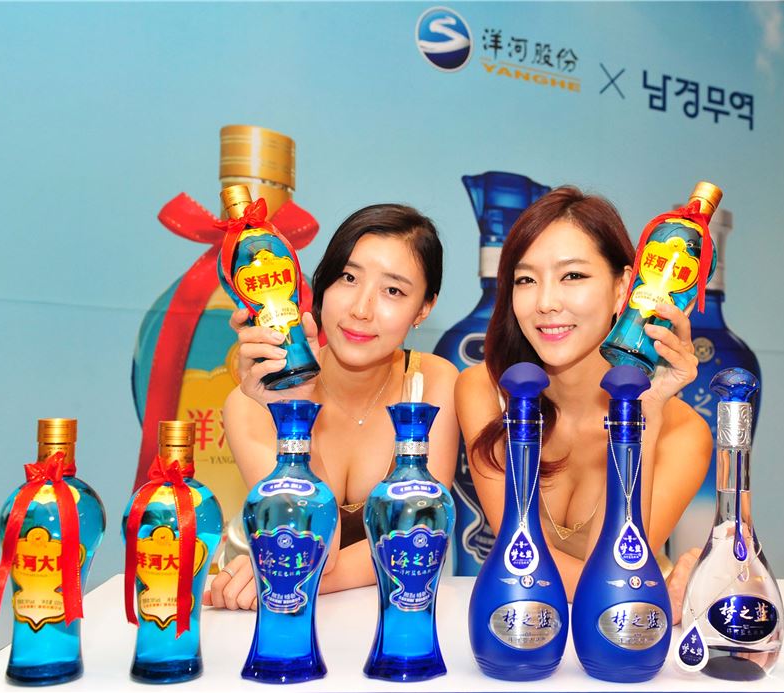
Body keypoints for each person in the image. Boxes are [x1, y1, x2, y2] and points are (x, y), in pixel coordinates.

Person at [455, 186, 711, 623]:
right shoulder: (487, 392)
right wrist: (649, 594)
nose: (545, 303)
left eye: (572, 276)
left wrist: (643, 413)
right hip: (527, 625)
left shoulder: (682, 433)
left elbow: (616, 571)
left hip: (621, 636)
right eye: (525, 280)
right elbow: (520, 554)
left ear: (624, 288)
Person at [205, 204, 459, 610]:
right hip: (270, 613)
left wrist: (287, 578)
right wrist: (294, 407)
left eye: (393, 290)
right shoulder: (251, 404)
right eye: (348, 277)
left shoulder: (431, 385)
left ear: (424, 308)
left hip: (329, 602)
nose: (361, 309)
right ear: (321, 284)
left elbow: (420, 539)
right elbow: (316, 541)